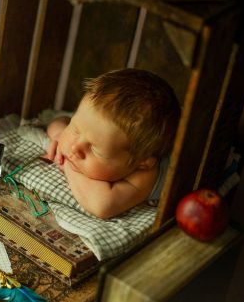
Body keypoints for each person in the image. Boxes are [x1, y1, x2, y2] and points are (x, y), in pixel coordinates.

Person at [45, 68, 181, 219]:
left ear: (142, 162)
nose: (74, 147)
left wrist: (67, 163)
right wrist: (59, 135)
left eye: (94, 149)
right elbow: (60, 120)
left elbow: (103, 205)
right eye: (76, 130)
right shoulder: (96, 124)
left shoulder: (146, 173)